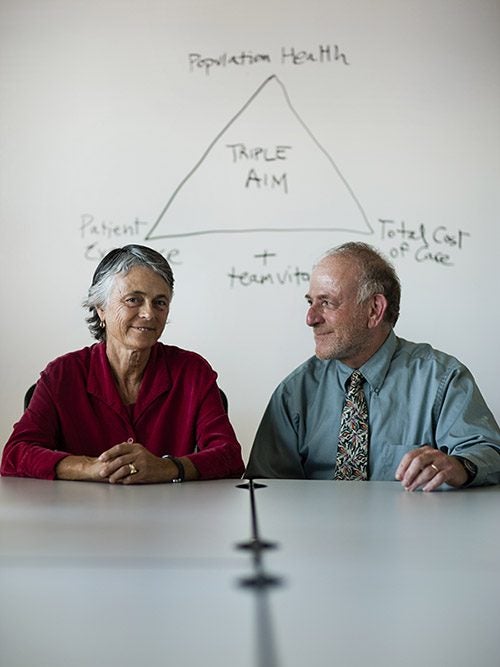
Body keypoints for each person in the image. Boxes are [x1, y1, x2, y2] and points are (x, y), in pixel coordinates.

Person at [246, 242, 500, 491]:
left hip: (416, 530)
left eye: (326, 302)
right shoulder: (295, 392)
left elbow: (489, 453)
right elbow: (264, 489)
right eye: (310, 302)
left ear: (374, 310)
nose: (310, 318)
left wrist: (460, 466)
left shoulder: (441, 379)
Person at [1, 244, 244, 483]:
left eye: (160, 302)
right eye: (133, 300)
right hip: (79, 516)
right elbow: (15, 455)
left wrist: (167, 467)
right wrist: (92, 468)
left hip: (171, 516)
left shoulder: (192, 372)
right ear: (101, 309)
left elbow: (230, 457)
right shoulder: (62, 375)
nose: (149, 313)